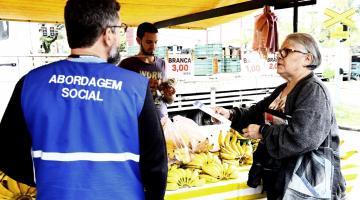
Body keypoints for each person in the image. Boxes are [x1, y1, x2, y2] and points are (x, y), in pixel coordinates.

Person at [0, 0, 167, 199]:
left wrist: (50, 180)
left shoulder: (30, 84)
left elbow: (7, 155)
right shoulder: (135, 87)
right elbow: (156, 165)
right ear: (107, 34)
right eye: (118, 29)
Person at [215, 33, 346, 199]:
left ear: (307, 58)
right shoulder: (283, 89)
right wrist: (230, 114)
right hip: (281, 180)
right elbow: (256, 114)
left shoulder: (313, 91)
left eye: (287, 51)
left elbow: (302, 138)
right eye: (279, 52)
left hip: (306, 187)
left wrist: (262, 132)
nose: (279, 56)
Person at [119, 22, 175, 119]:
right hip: (138, 122)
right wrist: (142, 87)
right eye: (149, 42)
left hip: (162, 121)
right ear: (138, 40)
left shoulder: (162, 63)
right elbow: (118, 97)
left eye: (156, 42)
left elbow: (169, 101)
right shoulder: (127, 64)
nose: (153, 46)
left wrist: (168, 94)